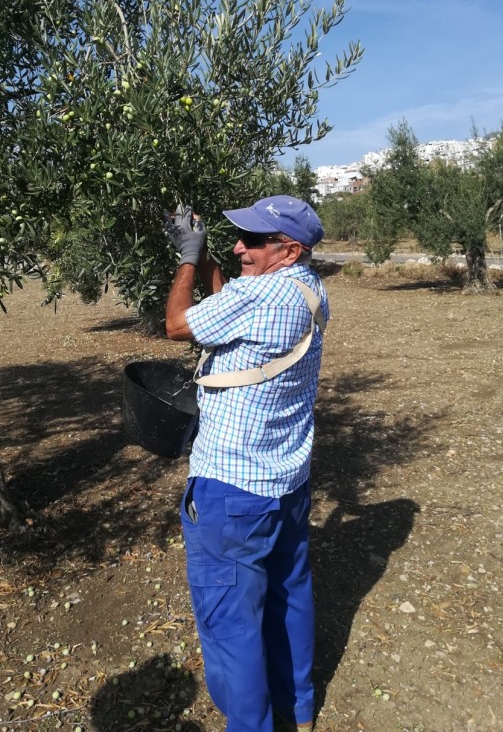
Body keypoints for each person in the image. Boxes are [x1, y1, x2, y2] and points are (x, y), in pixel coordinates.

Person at [163, 195, 329, 732]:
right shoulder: (309, 288)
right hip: (286, 479)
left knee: (230, 619)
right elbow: (236, 314)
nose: (240, 247)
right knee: (290, 592)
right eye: (239, 237)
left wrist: (188, 258)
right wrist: (210, 256)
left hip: (233, 488)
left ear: (290, 249)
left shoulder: (262, 293)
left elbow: (178, 325)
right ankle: (298, 709)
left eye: (254, 241)